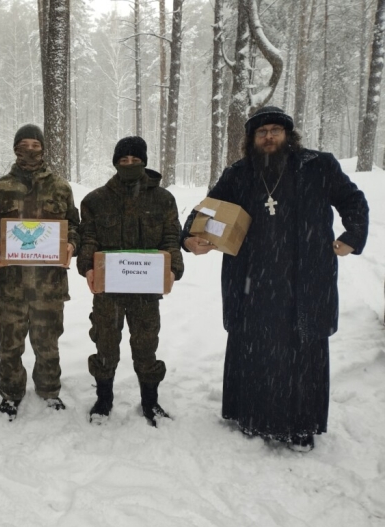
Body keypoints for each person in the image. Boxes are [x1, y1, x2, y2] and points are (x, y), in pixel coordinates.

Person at [182, 106, 369, 451]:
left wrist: (353, 236)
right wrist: (190, 238)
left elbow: (353, 200)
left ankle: (301, 424)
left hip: (306, 277)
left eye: (275, 130)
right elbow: (204, 213)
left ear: (288, 134)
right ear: (251, 139)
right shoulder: (239, 173)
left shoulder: (318, 165)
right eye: (261, 132)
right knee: (255, 348)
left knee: (303, 348)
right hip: (253, 280)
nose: (269, 137)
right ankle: (251, 416)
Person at [77, 136, 184, 425]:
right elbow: (88, 237)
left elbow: (171, 238)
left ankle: (150, 401)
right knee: (105, 344)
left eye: (135, 161)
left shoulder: (163, 199)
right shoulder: (96, 200)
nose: (129, 165)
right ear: (115, 163)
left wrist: (172, 268)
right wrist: (87, 266)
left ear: (144, 162)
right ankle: (104, 398)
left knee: (146, 345)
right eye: (123, 161)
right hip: (108, 291)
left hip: (146, 293)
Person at [0, 124, 80, 420]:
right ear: (15, 147)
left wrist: (72, 245)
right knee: (10, 343)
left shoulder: (61, 187)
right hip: (11, 283)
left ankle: (49, 389)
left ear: (43, 148)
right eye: (24, 144)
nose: (30, 150)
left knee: (47, 341)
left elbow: (75, 226)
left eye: (35, 144)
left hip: (49, 284)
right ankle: (11, 392)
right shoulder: (0, 188)